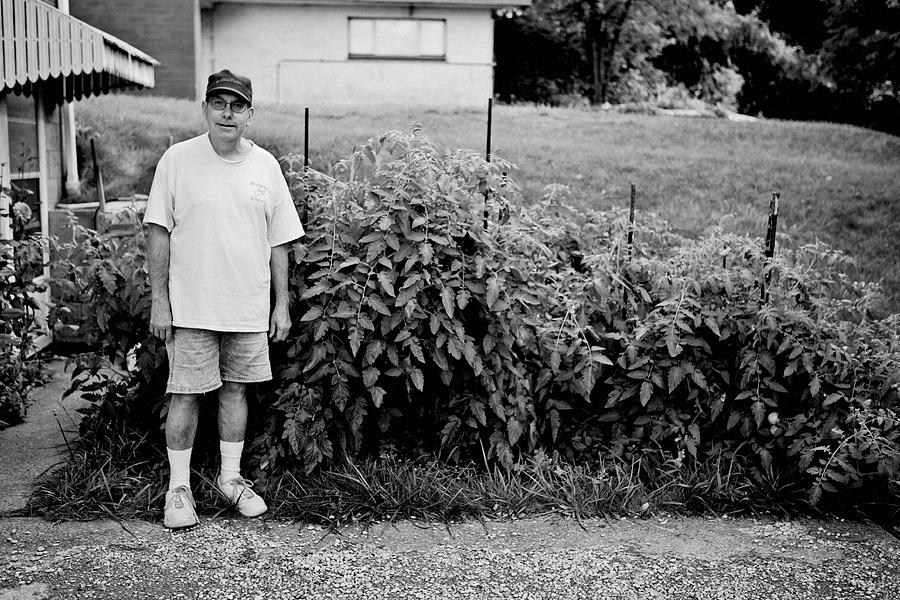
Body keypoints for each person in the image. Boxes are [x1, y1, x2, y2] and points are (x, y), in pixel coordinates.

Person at [143, 69, 304, 529]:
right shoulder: (178, 159)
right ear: (206, 109)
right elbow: (158, 231)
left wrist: (282, 303)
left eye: (237, 105)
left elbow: (279, 242)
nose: (227, 113)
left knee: (237, 391)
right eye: (219, 103)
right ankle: (178, 490)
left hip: (247, 307)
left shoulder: (266, 166)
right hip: (191, 305)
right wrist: (160, 300)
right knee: (186, 394)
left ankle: (230, 480)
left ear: (249, 115)